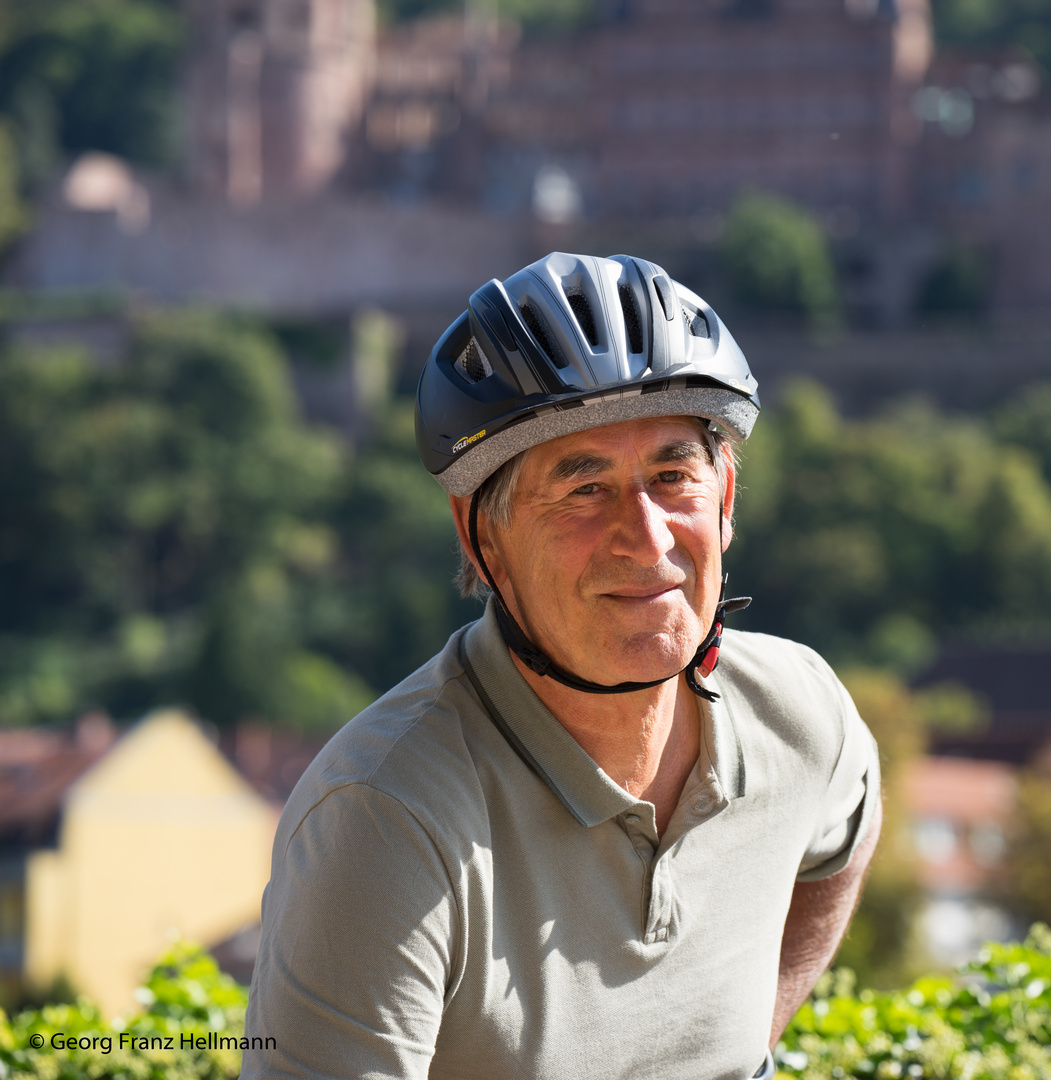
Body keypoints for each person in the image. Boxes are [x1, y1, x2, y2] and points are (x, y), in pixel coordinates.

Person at [242, 252, 881, 1080]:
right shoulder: (385, 819)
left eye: (672, 476)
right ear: (484, 537)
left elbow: (844, 840)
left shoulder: (799, 711)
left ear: (723, 502)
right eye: (584, 489)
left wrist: (746, 1046)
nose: (647, 537)